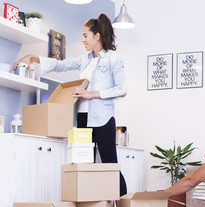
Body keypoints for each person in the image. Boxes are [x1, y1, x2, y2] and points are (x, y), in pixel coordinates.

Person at [13, 13, 128, 196]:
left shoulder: (113, 58)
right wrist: (32, 57)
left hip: (103, 119)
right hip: (83, 119)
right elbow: (61, 65)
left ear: (97, 36)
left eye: (85, 35)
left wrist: (90, 94)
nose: (82, 40)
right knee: (83, 168)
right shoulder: (85, 59)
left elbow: (122, 89)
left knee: (111, 167)